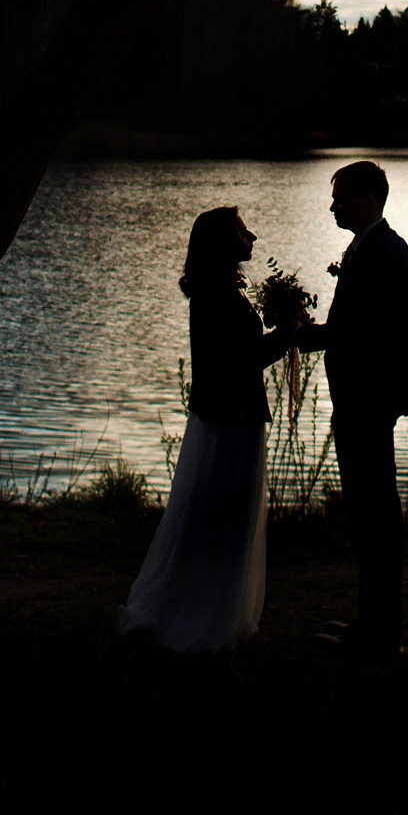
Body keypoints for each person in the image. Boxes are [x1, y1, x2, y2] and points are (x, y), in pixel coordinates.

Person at [119, 205, 295, 653]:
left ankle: (208, 606)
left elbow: (240, 353)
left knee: (219, 517)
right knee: (224, 518)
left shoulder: (215, 290)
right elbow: (242, 360)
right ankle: (203, 615)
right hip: (230, 419)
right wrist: (289, 333)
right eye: (241, 231)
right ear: (220, 241)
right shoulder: (217, 295)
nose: (251, 236)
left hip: (226, 414)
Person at [295, 160, 408, 655]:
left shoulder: (382, 253)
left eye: (342, 196)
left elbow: (364, 334)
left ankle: (378, 630)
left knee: (373, 515)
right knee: (372, 512)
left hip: (367, 401)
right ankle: (375, 622)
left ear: (369, 198)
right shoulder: (376, 248)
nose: (333, 205)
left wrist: (304, 335)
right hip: (368, 400)